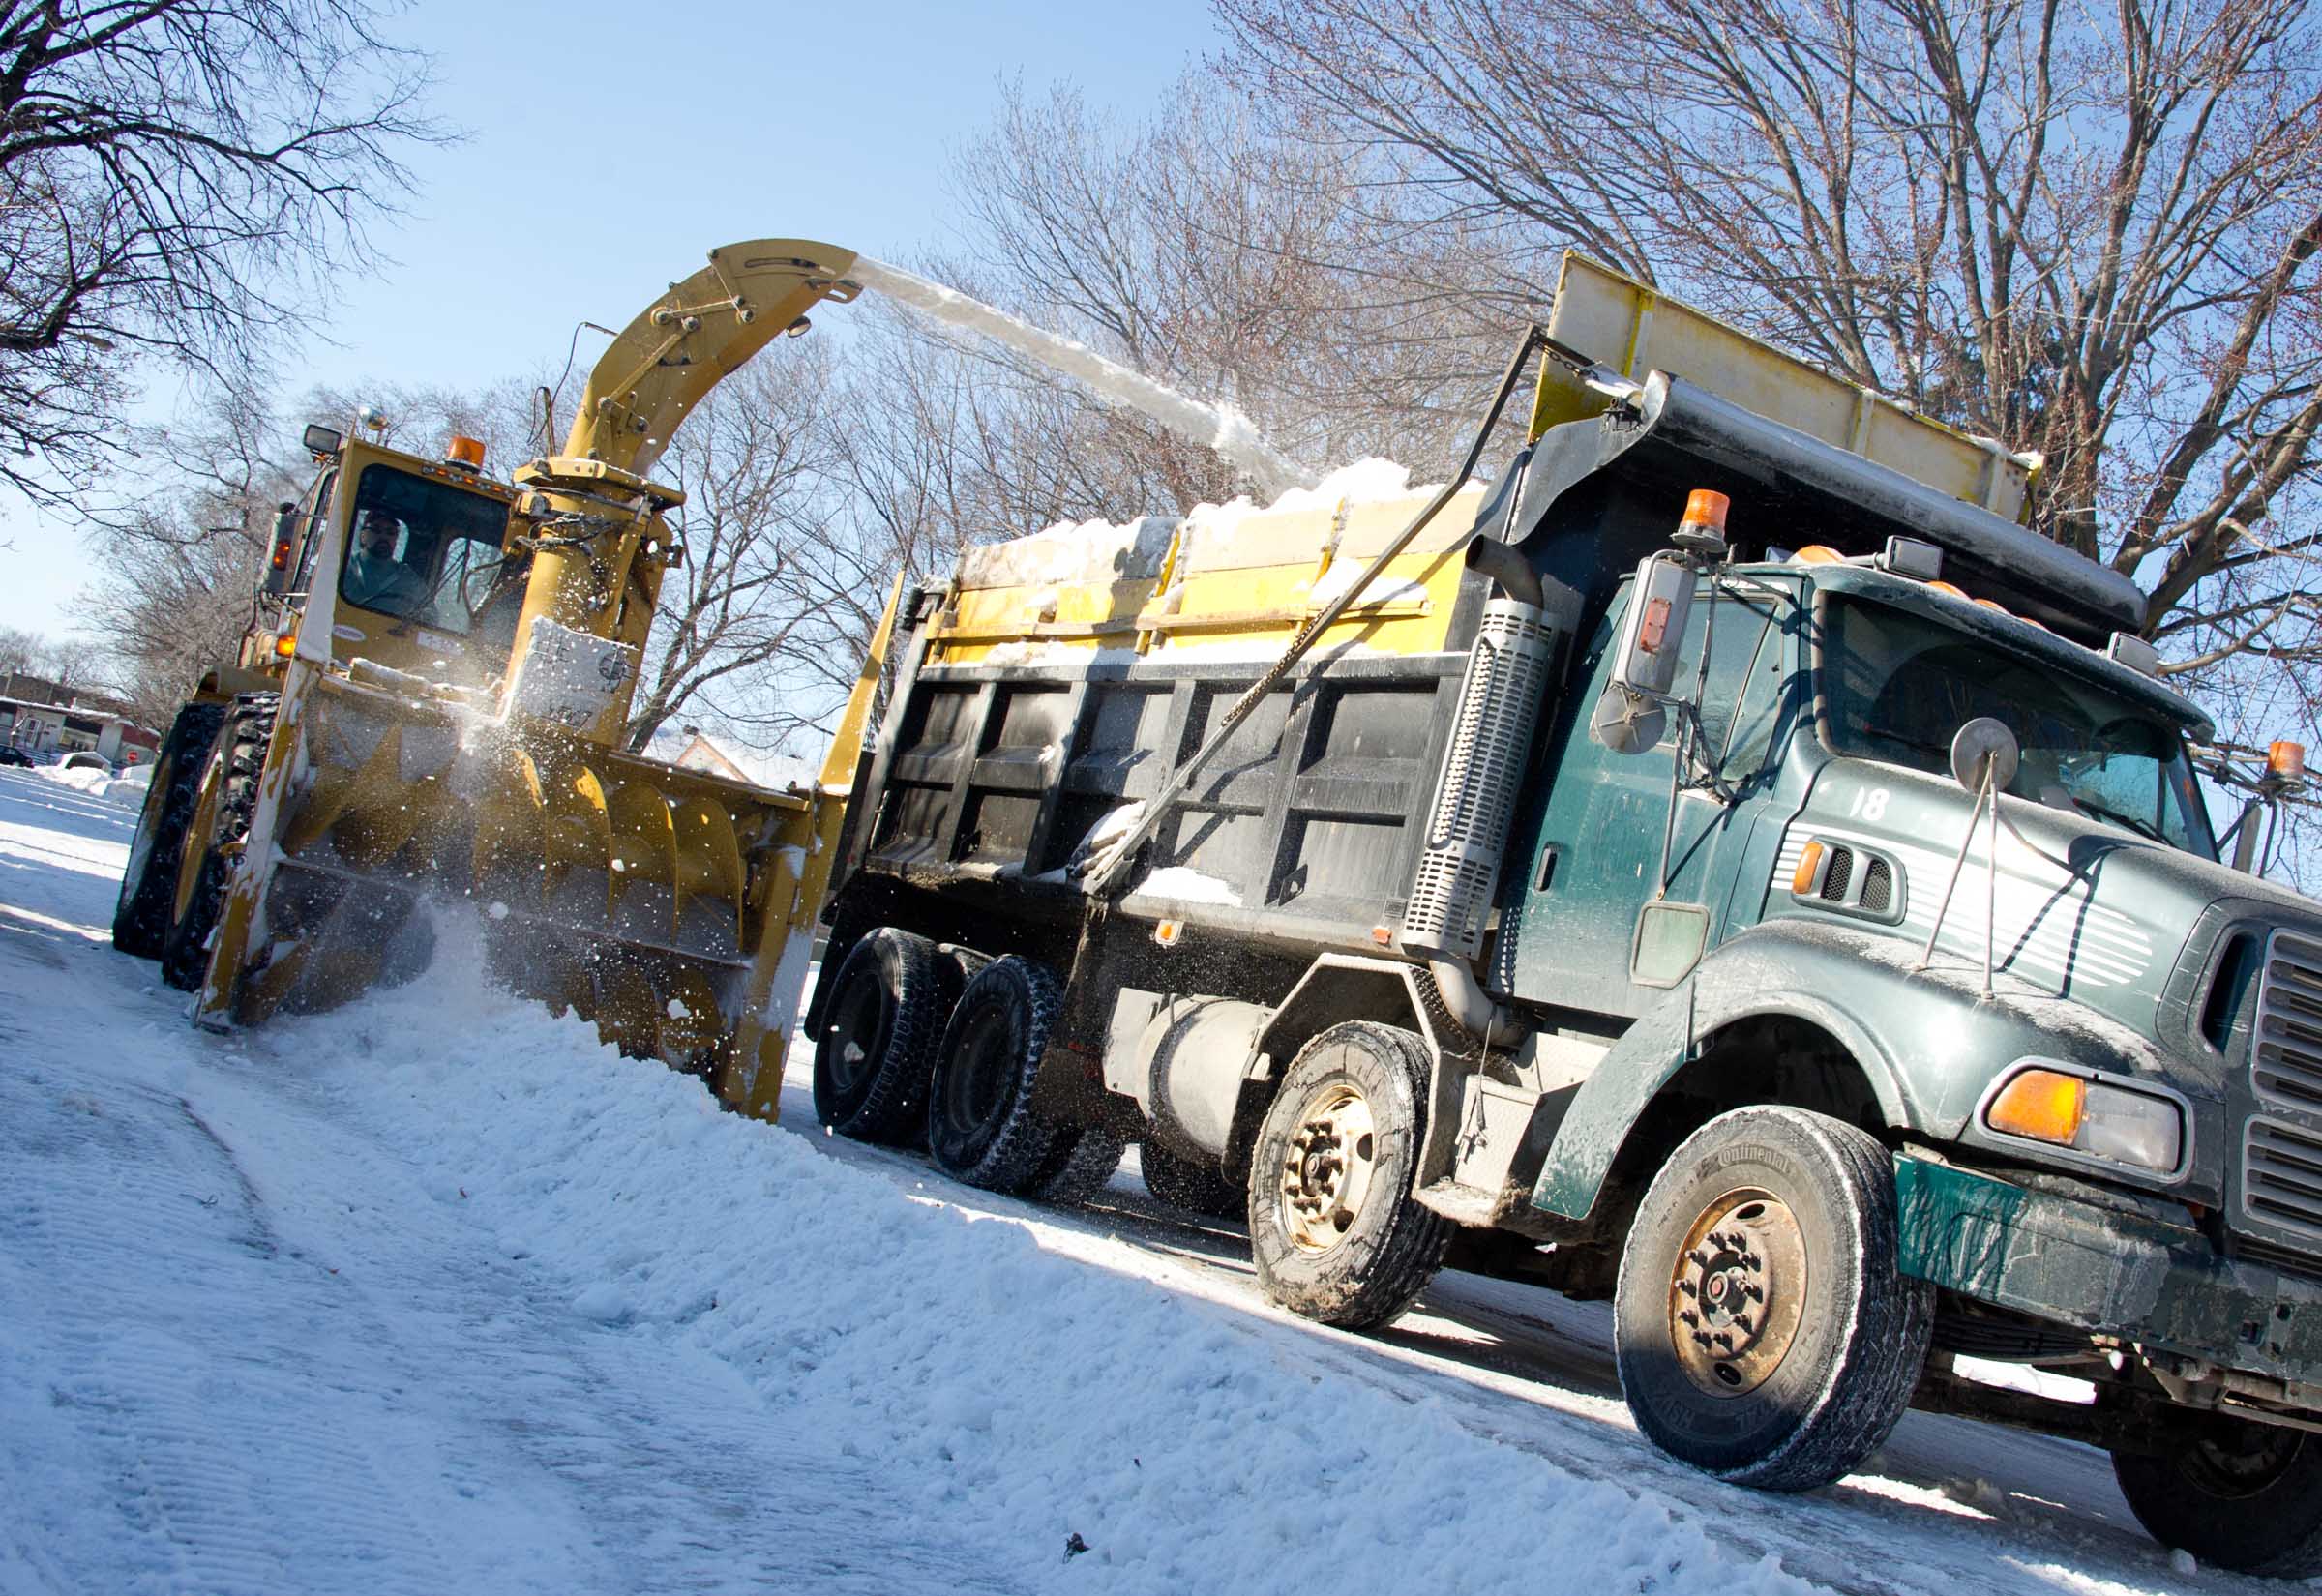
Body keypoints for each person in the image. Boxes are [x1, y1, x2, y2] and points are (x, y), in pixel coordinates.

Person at [342, 514, 429, 615]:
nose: (384, 536)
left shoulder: (408, 579)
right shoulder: (343, 567)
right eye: (376, 530)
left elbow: (429, 614)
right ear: (363, 536)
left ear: (396, 540)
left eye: (390, 532)